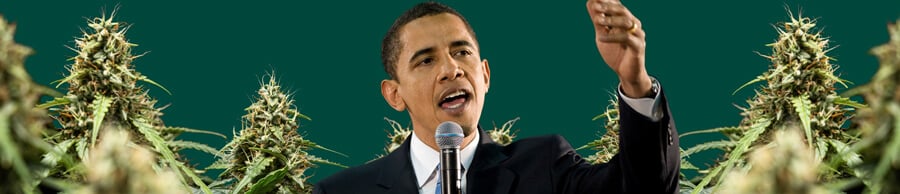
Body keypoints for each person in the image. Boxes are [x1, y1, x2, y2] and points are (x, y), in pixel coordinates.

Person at [315, 1, 679, 193]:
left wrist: (635, 82)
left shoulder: (545, 167)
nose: (451, 69)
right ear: (394, 94)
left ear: (485, 76)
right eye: (426, 60)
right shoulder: (342, 192)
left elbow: (645, 190)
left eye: (462, 53)